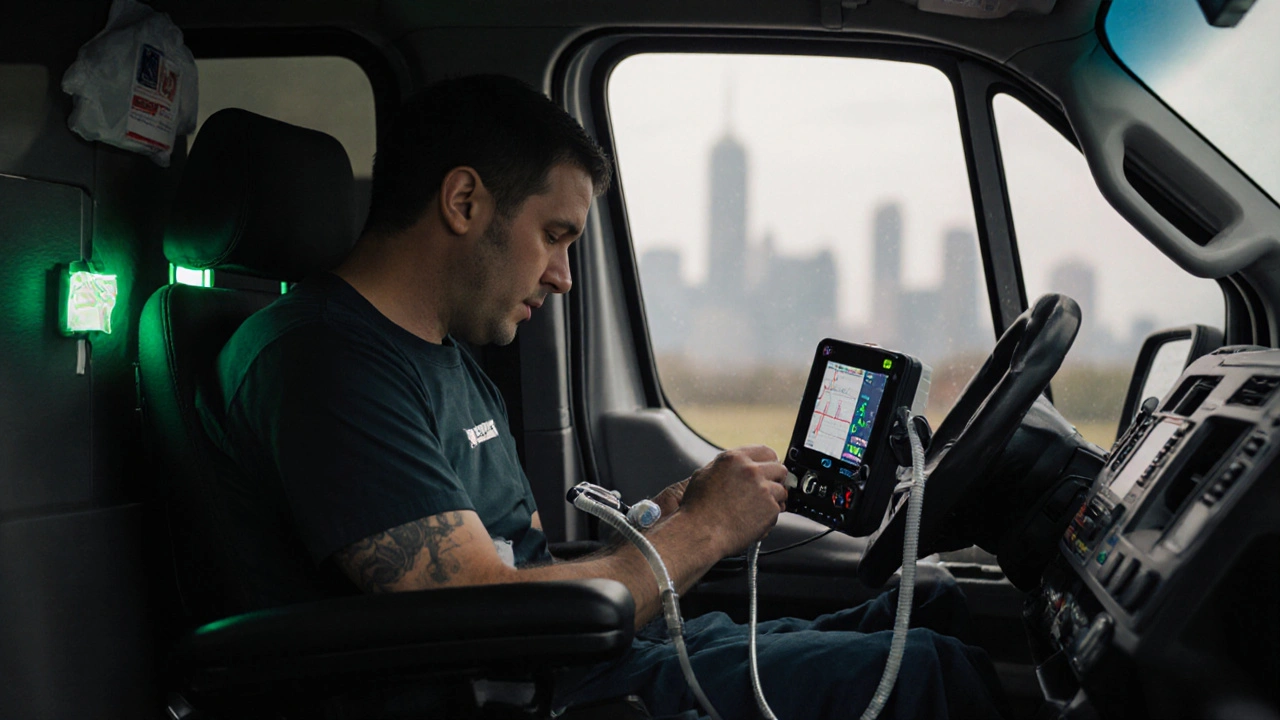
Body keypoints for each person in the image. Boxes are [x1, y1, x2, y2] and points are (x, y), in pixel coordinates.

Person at [202, 74, 1007, 719]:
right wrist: (707, 530)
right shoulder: (322, 362)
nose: (562, 275)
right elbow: (471, 611)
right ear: (463, 202)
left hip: (576, 666)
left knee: (927, 615)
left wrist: (669, 518)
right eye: (554, 235)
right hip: (526, 694)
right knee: (928, 675)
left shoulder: (445, 357)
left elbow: (518, 563)